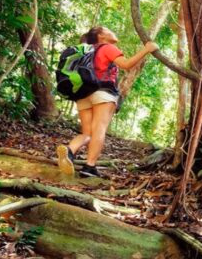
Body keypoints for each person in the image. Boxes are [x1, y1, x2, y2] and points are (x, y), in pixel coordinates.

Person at [57, 27, 158, 177]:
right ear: (101, 36)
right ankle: (89, 167)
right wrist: (147, 49)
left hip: (82, 94)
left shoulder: (86, 51)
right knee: (99, 129)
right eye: (108, 30)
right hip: (103, 93)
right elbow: (126, 64)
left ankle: (70, 150)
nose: (112, 31)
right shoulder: (107, 48)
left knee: (87, 133)